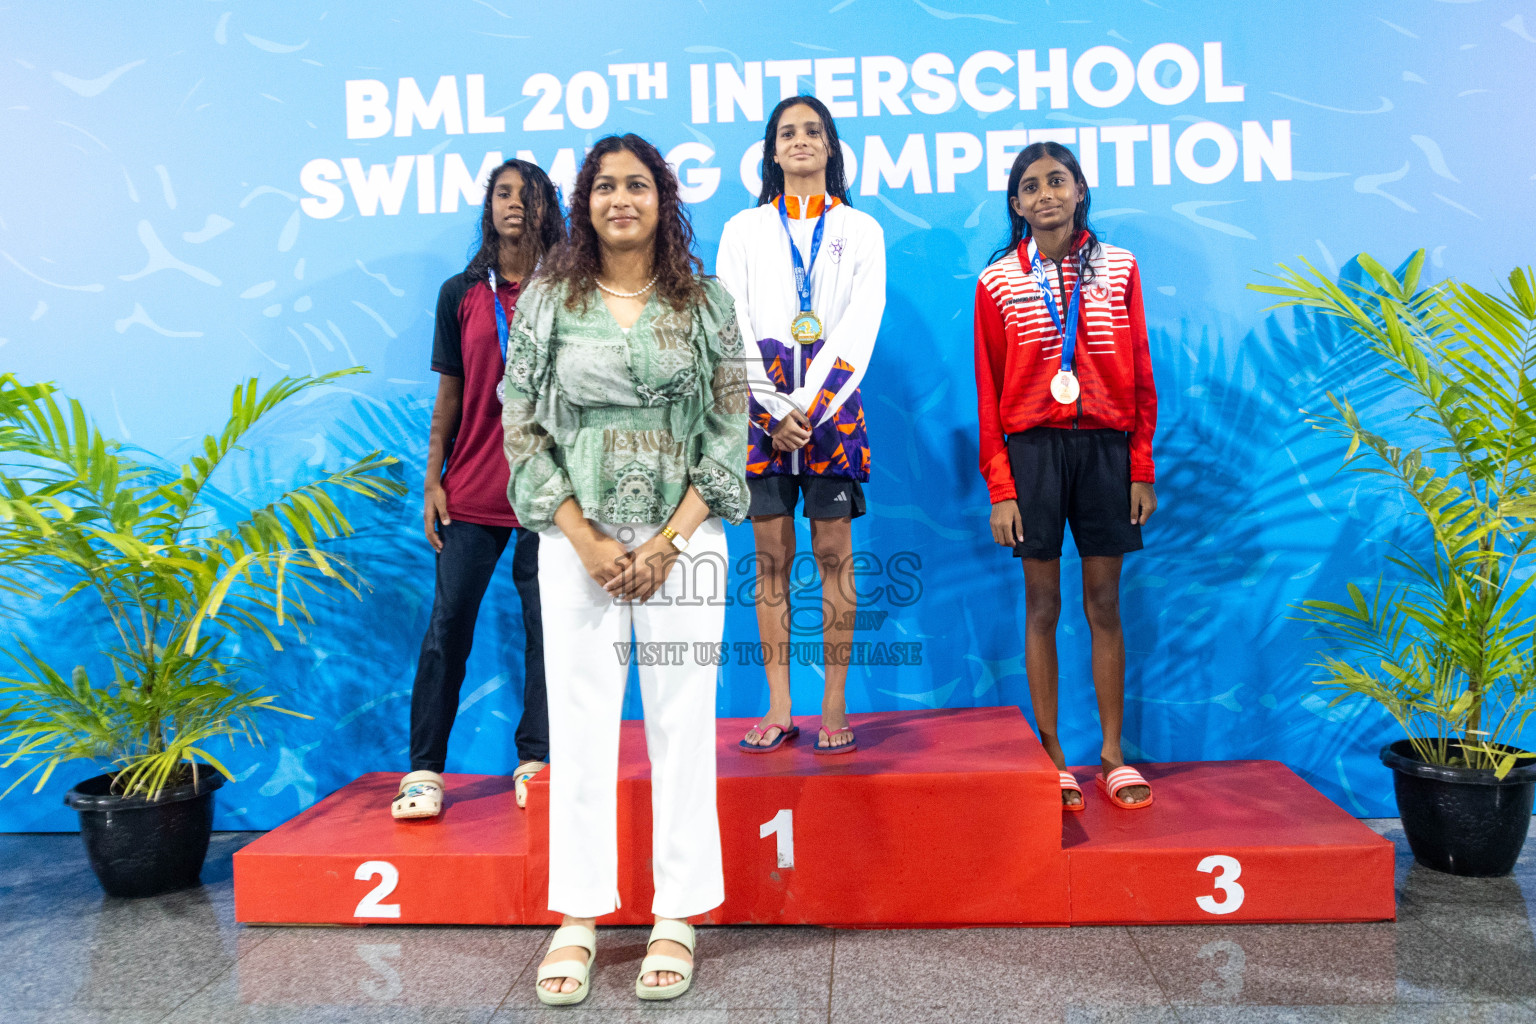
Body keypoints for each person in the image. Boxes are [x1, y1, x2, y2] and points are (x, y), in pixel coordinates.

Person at [501, 134, 748, 1005]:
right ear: (584, 201)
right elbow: (521, 425)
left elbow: (728, 431)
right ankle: (578, 916)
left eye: (636, 185)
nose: (620, 199)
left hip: (686, 542)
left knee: (683, 721)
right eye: (604, 186)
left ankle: (676, 913)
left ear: (663, 199)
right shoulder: (547, 301)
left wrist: (670, 541)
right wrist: (585, 536)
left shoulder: (709, 301)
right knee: (581, 725)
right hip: (578, 546)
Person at [972, 141, 1159, 811]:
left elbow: (1140, 372)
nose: (1045, 193)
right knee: (1043, 605)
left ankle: (1112, 755)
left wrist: (1141, 466)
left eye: (1058, 180)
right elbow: (988, 391)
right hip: (1033, 455)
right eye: (1030, 185)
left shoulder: (1120, 268)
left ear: (1080, 189)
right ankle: (1052, 755)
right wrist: (1002, 488)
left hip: (1108, 450)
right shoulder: (998, 282)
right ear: (1016, 204)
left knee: (1104, 604)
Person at [392, 159, 565, 823]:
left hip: (549, 495)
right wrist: (433, 478)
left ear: (548, 207)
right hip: (470, 492)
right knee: (446, 631)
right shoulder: (461, 292)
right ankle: (424, 772)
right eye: (503, 193)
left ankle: (537, 759)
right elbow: (451, 394)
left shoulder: (570, 291)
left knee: (545, 632)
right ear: (488, 207)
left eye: (528, 194)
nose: (515, 204)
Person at [716, 95, 885, 756]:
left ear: (832, 147)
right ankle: (780, 703)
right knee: (770, 560)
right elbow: (728, 321)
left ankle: (834, 702)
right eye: (788, 132)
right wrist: (772, 406)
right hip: (760, 404)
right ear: (773, 150)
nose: (801, 141)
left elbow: (860, 323)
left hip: (832, 403)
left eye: (814, 131)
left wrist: (810, 405)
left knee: (834, 555)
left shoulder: (861, 230)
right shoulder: (745, 229)